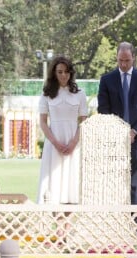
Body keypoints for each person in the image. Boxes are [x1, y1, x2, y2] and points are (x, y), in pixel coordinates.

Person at [97, 41, 137, 206]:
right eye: (120, 60)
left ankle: (135, 224)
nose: (123, 64)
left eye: (127, 61)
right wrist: (119, 133)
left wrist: (133, 132)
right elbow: (104, 109)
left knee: (135, 185)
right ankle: (116, 223)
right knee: (114, 183)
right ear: (117, 58)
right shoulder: (107, 80)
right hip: (114, 140)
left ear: (133, 58)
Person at [37, 56, 88, 204]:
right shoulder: (46, 94)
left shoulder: (80, 93)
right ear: (54, 73)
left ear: (71, 73)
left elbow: (84, 121)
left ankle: (66, 227)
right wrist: (55, 142)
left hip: (74, 143)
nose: (63, 75)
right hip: (53, 144)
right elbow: (43, 121)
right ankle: (59, 226)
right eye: (60, 72)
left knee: (72, 184)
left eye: (66, 72)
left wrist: (74, 142)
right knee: (53, 184)